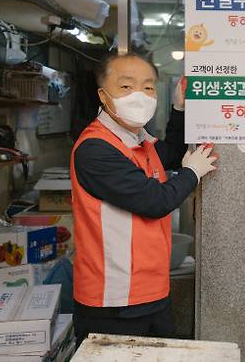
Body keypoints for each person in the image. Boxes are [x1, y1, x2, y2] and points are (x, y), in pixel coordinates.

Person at [71, 53, 218, 344]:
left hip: (151, 290)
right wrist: (192, 174)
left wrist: (179, 108)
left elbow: (172, 154)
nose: (139, 95)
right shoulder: (96, 149)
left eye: (148, 87)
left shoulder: (139, 139)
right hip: (112, 300)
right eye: (126, 87)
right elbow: (155, 202)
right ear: (103, 95)